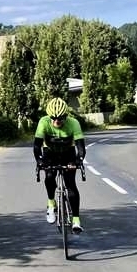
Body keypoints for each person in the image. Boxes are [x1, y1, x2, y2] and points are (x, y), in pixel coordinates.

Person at [33, 97, 86, 233]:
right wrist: (40, 161)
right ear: (49, 116)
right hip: (50, 153)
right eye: (54, 118)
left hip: (68, 153)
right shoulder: (43, 122)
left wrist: (78, 161)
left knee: (71, 185)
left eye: (61, 118)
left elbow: (80, 147)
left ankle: (76, 220)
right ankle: (51, 203)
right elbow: (37, 146)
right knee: (49, 176)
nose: (57, 121)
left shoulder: (73, 123)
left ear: (66, 116)